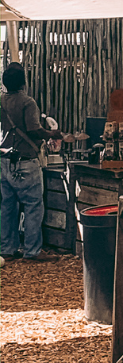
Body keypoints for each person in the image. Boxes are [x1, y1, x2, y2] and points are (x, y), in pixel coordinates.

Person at [1, 65, 62, 262]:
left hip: (3, 160)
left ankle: (7, 249)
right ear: (23, 82)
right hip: (26, 160)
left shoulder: (0, 101)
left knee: (8, 206)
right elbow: (34, 130)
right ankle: (32, 251)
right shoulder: (28, 102)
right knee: (33, 205)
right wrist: (52, 133)